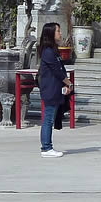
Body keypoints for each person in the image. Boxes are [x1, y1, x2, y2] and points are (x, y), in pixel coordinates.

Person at [37, 22, 72, 158]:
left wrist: (65, 85)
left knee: (50, 118)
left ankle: (47, 147)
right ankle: (46, 147)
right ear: (51, 33)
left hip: (56, 88)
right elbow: (57, 71)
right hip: (50, 89)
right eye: (58, 31)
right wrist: (69, 83)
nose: (60, 33)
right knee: (48, 119)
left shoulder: (54, 50)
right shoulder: (48, 51)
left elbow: (60, 69)